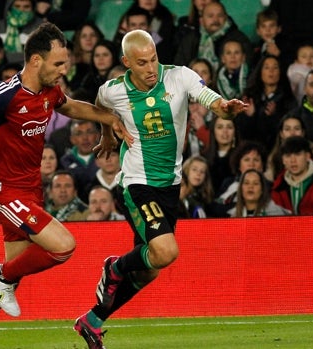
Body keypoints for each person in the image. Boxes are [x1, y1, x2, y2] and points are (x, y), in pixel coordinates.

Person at [0, 22, 131, 349]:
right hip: (1, 192)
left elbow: (69, 105)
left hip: (29, 191)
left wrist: (108, 118)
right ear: (35, 61)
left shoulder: (49, 91)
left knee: (17, 271)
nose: (63, 70)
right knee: (62, 246)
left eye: (66, 63)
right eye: (58, 64)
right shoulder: (5, 94)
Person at [73, 29, 247, 348]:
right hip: (137, 182)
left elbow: (210, 99)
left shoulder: (179, 77)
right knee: (166, 252)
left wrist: (225, 107)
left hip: (170, 184)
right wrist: (109, 134)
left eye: (153, 59)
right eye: (142, 63)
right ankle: (115, 267)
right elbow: (99, 105)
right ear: (127, 63)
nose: (151, 68)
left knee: (149, 271)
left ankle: (92, 320)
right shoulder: (114, 90)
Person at [235, 54, 296, 151]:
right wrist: (250, 116)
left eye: (275, 67)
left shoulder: (288, 100)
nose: (271, 71)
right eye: (266, 67)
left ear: (280, 72)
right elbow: (241, 131)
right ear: (260, 72)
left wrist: (273, 116)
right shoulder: (249, 97)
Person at [173, 2, 253, 72]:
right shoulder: (190, 39)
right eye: (210, 16)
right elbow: (178, 68)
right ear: (201, 20)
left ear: (225, 18)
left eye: (220, 16)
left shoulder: (238, 39)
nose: (215, 20)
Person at [207, 140, 267, 217]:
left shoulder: (268, 186)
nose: (251, 164)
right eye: (246, 160)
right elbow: (214, 207)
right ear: (239, 165)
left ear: (262, 166)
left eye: (256, 160)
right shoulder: (228, 182)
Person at [0, 0, 43, 65]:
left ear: (33, 8)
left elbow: (39, 55)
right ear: (9, 7)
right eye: (17, 6)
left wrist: (7, 56)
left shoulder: (41, 27)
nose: (21, 10)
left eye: (26, 7)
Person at [60, 120, 101, 202]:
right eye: (79, 134)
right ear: (72, 139)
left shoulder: (107, 157)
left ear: (97, 136)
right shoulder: (65, 161)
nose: (85, 138)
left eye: (89, 132)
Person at [205, 113, 239, 196]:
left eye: (229, 127)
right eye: (220, 127)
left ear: (235, 131)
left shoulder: (242, 158)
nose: (225, 131)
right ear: (214, 131)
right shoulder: (205, 158)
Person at [264, 114, 306, 181]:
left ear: (303, 132)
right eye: (287, 129)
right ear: (281, 134)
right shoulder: (273, 159)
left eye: (297, 129)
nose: (292, 133)